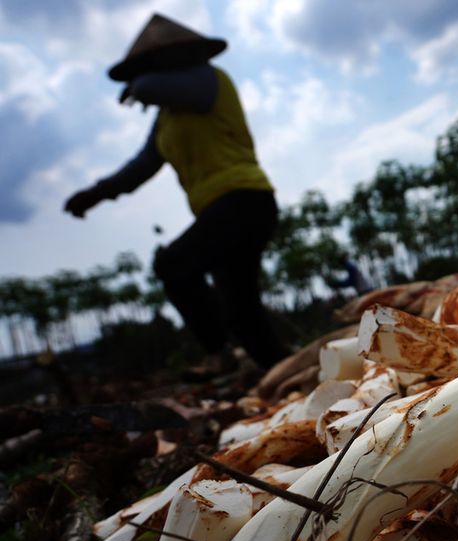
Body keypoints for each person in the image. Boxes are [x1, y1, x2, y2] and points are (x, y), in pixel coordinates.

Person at [64, 14, 289, 377]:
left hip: (245, 200)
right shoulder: (166, 120)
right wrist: (96, 193)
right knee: (242, 310)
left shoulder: (210, 81)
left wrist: (139, 86)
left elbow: (151, 87)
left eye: (158, 63)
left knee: (174, 264)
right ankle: (282, 375)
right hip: (219, 210)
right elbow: (141, 166)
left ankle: (219, 352)